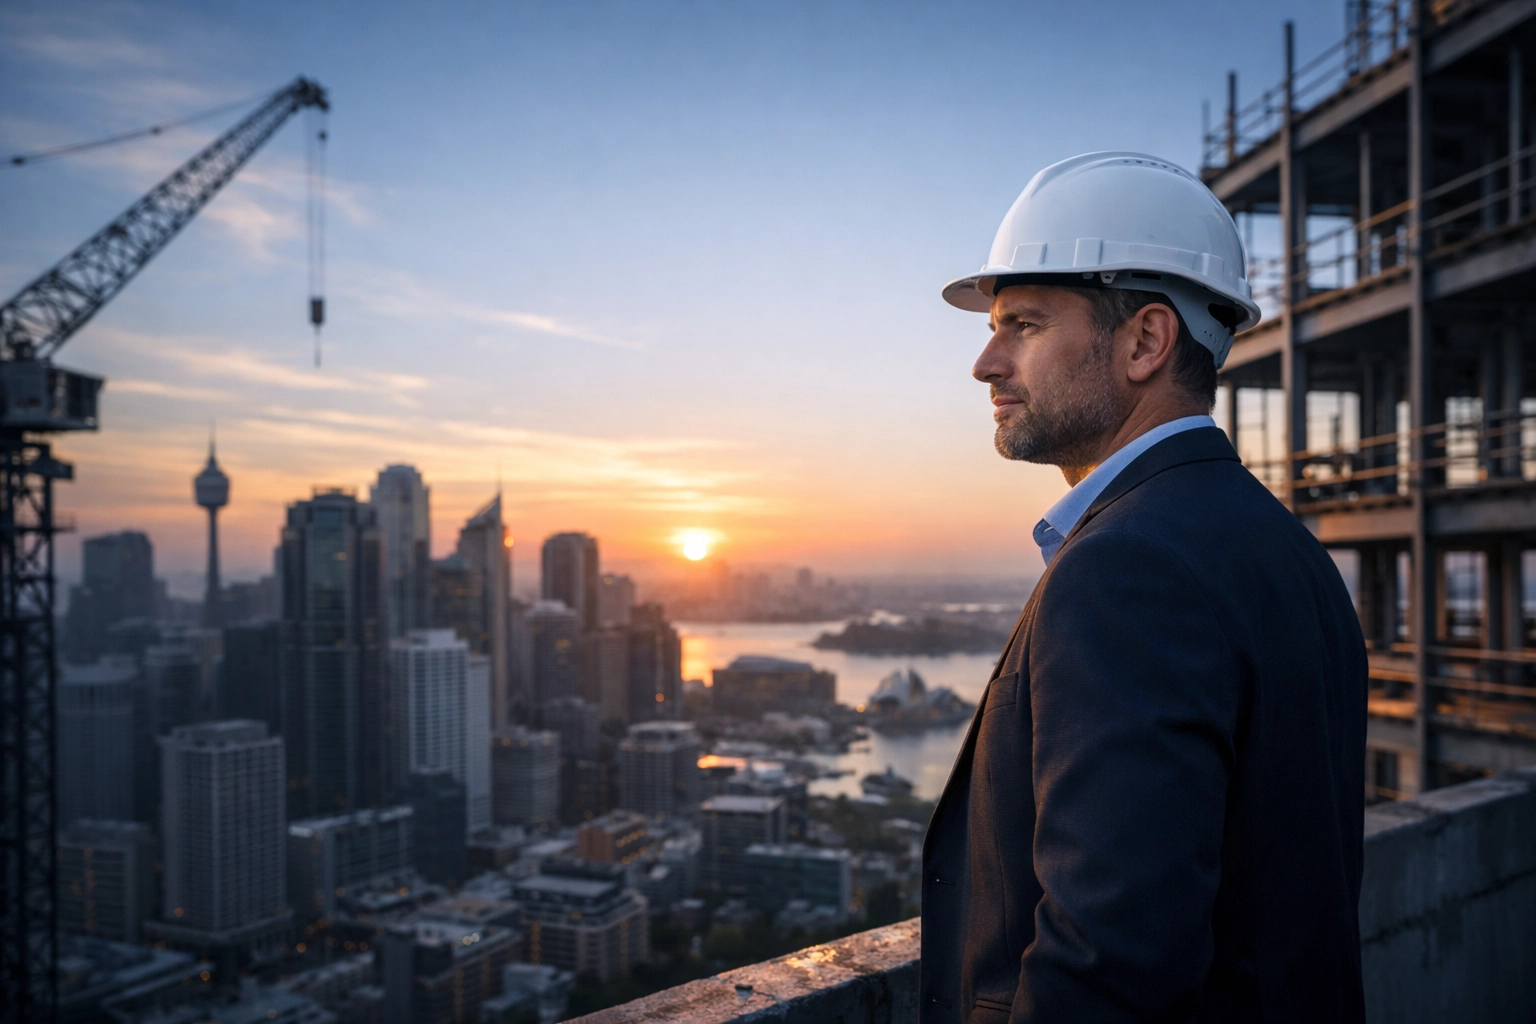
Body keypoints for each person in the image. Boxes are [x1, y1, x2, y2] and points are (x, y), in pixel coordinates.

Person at [920, 152, 1367, 1023]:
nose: (985, 362)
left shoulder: (1127, 570)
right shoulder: (1285, 550)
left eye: (1024, 324)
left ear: (1146, 342)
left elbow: (1112, 966)